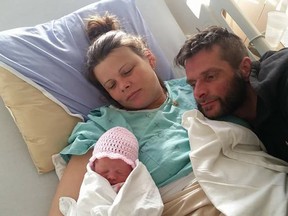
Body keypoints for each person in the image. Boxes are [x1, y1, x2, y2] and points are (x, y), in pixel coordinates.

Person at [48, 13, 225, 216]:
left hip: (245, 175)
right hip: (187, 204)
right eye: (111, 85)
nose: (123, 85)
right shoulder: (105, 126)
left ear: (149, 59)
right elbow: (61, 209)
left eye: (127, 71)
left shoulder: (193, 87)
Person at [175, 26, 288, 163]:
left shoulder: (282, 77)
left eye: (210, 77)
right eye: (193, 84)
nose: (198, 93)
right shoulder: (223, 122)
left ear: (245, 68)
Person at [58, 126, 163, 216]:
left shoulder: (137, 181)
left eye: (119, 172)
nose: (111, 176)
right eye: (104, 171)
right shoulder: (93, 180)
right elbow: (88, 201)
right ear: (94, 165)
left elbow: (148, 202)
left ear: (132, 169)